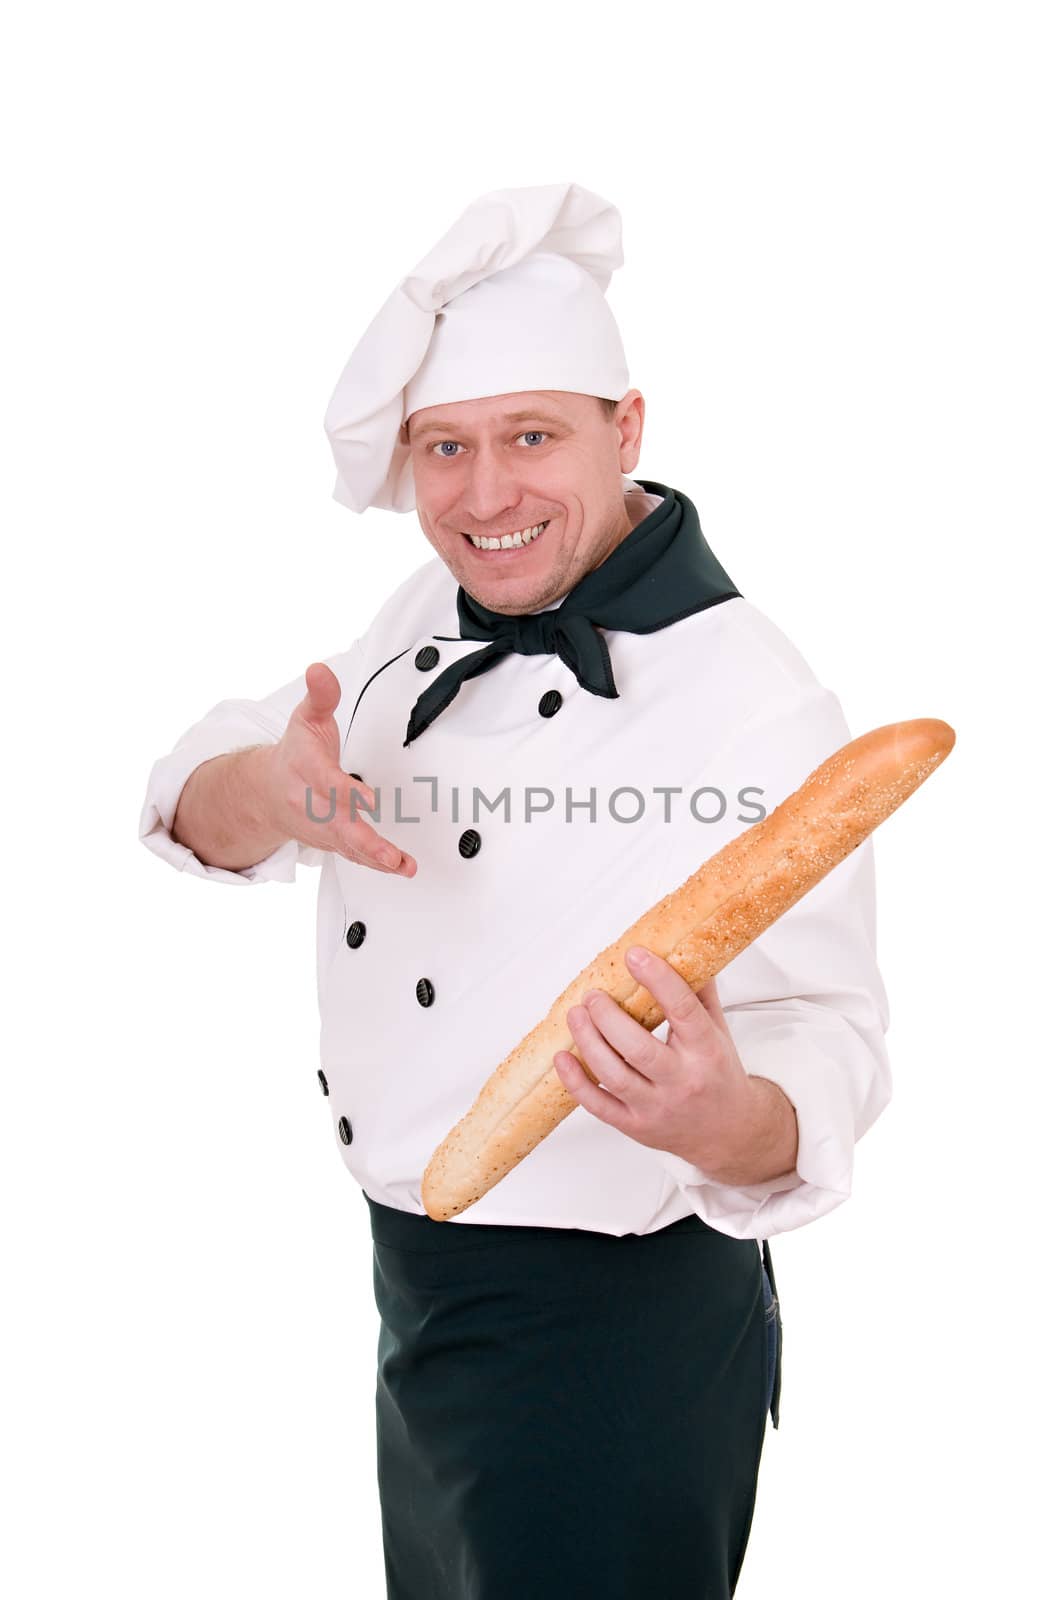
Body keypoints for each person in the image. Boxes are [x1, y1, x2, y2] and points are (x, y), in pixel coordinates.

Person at [138, 183, 891, 1598]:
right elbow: (204, 796)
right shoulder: (422, 614)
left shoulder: (757, 703)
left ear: (630, 430)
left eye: (532, 438)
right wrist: (276, 789)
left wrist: (723, 1117)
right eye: (446, 449)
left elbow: (831, 1038)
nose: (486, 499)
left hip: (608, 1341)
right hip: (420, 1305)